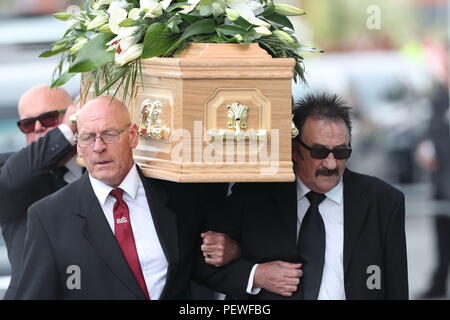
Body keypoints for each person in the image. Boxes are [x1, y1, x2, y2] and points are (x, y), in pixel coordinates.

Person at [14, 96, 237, 299]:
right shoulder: (49, 216)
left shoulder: (179, 196)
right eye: (88, 138)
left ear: (132, 136)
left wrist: (236, 254)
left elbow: (202, 265)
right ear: (78, 147)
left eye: (109, 134)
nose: (98, 147)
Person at [196, 93, 409, 300]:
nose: (331, 164)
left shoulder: (384, 201)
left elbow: (396, 288)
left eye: (341, 152)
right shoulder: (255, 196)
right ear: (295, 151)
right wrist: (257, 275)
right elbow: (199, 261)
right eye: (319, 152)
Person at [0, 84, 79, 299]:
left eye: (48, 119)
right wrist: (65, 133)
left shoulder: (98, 166)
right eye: (27, 124)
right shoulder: (10, 169)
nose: (37, 128)